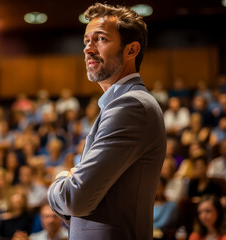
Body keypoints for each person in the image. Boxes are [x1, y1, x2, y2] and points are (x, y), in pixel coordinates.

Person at [47, 3, 166, 240]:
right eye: (86, 41)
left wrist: (59, 181)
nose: (88, 49)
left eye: (100, 39)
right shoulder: (120, 104)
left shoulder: (130, 106)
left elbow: (76, 198)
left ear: (131, 50)